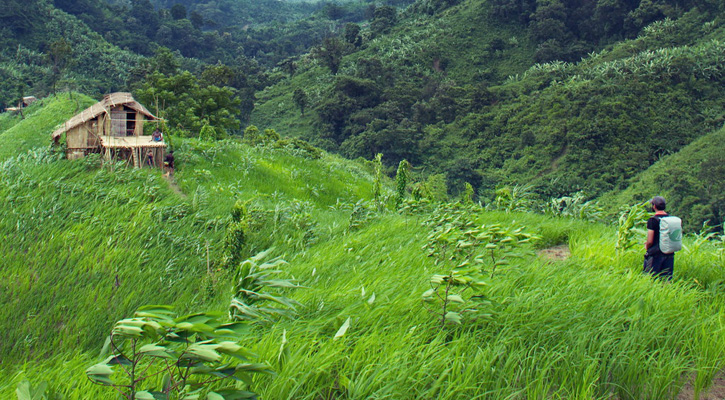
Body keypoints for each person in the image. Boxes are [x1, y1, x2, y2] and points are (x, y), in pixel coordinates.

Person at [644, 196, 674, 280]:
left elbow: (650, 241)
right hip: (669, 254)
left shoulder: (652, 220)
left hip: (655, 254)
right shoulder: (670, 219)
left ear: (654, 206)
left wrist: (647, 246)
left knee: (650, 279)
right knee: (666, 281)